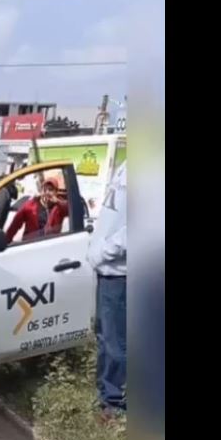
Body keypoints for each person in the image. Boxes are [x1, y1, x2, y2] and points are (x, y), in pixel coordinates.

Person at [87, 162, 126, 421]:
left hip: (122, 271)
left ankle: (116, 402)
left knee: (116, 341)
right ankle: (106, 394)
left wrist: (104, 252)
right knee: (105, 335)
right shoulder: (128, 166)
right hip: (108, 270)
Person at [5, 175, 65, 241]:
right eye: (44, 189)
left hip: (51, 244)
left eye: (50, 190)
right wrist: (7, 240)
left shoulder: (59, 207)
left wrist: (58, 202)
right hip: (31, 243)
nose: (47, 192)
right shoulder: (31, 205)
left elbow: (72, 210)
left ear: (56, 192)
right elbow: (15, 224)